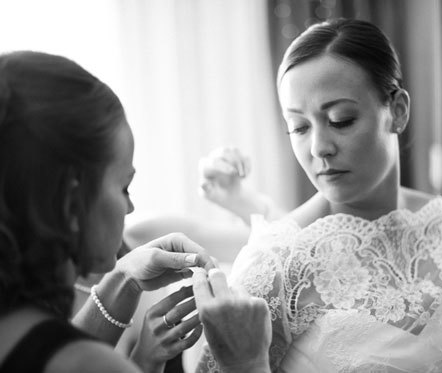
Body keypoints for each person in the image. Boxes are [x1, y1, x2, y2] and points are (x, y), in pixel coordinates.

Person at [195, 18, 442, 372]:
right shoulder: (276, 264)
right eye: (298, 127)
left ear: (397, 111)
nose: (318, 147)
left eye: (341, 119)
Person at [0, 51, 271, 373]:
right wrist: (247, 362)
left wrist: (123, 279)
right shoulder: (87, 363)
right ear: (71, 205)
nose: (130, 207)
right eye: (123, 187)